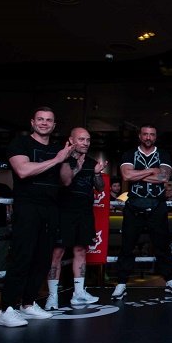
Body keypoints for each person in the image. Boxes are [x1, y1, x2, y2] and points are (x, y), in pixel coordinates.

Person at [0, 107, 74, 327]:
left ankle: (28, 304)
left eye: (48, 120)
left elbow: (66, 181)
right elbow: (22, 171)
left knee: (43, 258)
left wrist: (65, 159)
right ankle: (6, 309)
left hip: (51, 208)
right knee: (22, 256)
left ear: (54, 125)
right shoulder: (21, 143)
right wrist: (56, 159)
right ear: (32, 122)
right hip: (27, 207)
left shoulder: (58, 149)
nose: (44, 123)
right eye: (40, 119)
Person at [111, 124, 172, 301]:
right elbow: (126, 176)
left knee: (162, 245)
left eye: (151, 134)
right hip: (133, 204)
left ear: (155, 137)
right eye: (145, 134)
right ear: (140, 136)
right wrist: (152, 170)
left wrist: (138, 174)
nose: (148, 137)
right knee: (127, 245)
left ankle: (170, 279)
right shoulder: (129, 154)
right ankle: (121, 282)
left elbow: (164, 177)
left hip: (157, 205)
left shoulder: (163, 154)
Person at [45, 128, 108, 310]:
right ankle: (52, 296)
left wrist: (97, 174)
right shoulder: (61, 159)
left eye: (88, 140)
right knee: (57, 253)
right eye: (81, 139)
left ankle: (78, 294)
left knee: (80, 251)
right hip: (63, 211)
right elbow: (64, 182)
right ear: (71, 140)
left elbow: (100, 188)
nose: (85, 143)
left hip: (84, 212)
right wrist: (76, 168)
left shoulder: (91, 162)